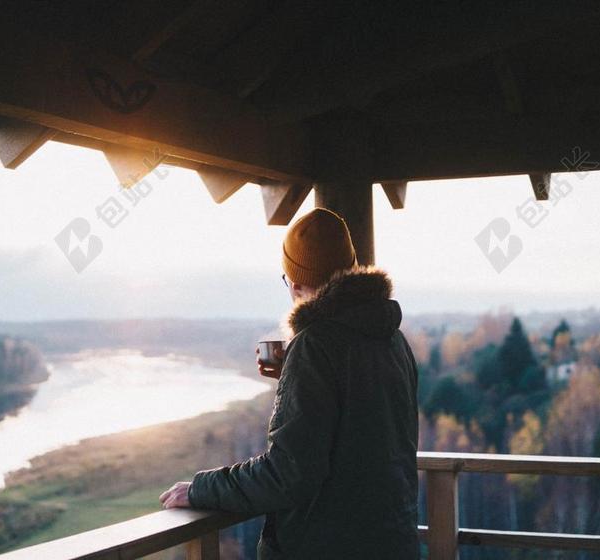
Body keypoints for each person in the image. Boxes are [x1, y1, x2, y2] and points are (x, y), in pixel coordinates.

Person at [160, 207, 419, 559]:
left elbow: (289, 473)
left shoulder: (315, 345)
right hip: (392, 542)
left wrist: (201, 488)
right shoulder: (391, 338)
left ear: (296, 284)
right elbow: (363, 426)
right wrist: (296, 376)